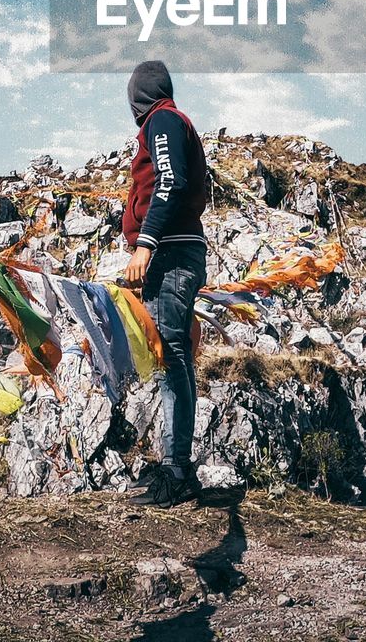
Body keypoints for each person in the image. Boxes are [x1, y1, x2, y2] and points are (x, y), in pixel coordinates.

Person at [122, 60, 208, 507]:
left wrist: (146, 245)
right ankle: (175, 465)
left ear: (140, 94)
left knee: (172, 360)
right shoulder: (172, 122)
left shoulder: (163, 120)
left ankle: (177, 471)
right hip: (176, 253)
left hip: (171, 255)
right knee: (171, 359)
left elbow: (170, 182)